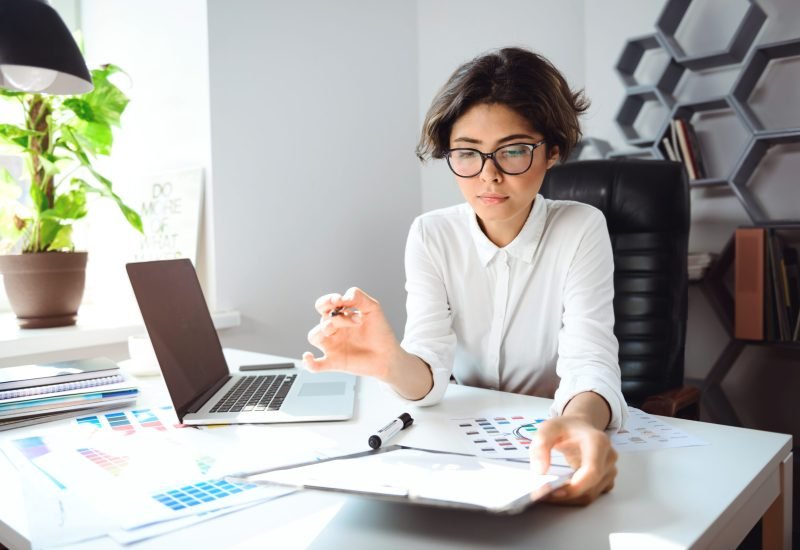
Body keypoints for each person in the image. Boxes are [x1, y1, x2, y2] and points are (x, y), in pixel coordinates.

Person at [303, 47, 627, 505]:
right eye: (468, 154)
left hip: (550, 441)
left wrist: (577, 422)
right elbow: (430, 372)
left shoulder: (581, 227)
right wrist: (388, 360)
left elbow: (590, 363)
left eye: (513, 151)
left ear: (552, 151)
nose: (489, 176)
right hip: (464, 446)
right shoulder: (431, 234)